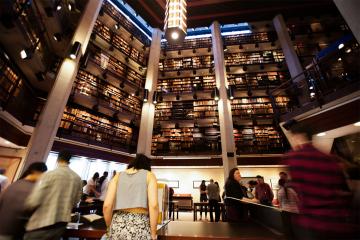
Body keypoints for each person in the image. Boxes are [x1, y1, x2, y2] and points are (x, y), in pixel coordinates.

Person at [283, 119, 357, 239]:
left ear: (297, 136)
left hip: (311, 221)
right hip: (335, 221)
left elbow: (297, 187)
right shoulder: (329, 158)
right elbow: (341, 189)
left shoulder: (293, 159)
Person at [23, 151, 82, 240]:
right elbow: (76, 202)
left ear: (58, 159)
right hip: (61, 223)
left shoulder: (50, 174)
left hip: (42, 223)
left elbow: (34, 200)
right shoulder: (77, 178)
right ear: (69, 160)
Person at [103, 154, 159, 240]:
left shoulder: (117, 176)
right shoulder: (149, 175)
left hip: (117, 223)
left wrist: (109, 226)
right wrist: (153, 233)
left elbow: (107, 205)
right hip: (140, 225)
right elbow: (154, 205)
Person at [0, 162, 47, 240]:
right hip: (13, 230)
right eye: (43, 174)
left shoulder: (15, 184)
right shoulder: (32, 188)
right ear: (36, 172)